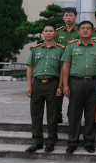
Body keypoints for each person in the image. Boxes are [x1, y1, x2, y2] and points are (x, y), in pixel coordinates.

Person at [61, 20, 96, 154]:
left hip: (94, 83)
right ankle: (72, 142)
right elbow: (66, 66)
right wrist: (65, 85)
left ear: (92, 31)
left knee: (91, 114)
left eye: (88, 28)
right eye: (83, 28)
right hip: (76, 83)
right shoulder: (71, 47)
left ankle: (89, 142)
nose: (85, 30)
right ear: (78, 31)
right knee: (74, 113)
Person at [24, 23, 65, 153]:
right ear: (42, 33)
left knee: (52, 114)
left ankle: (51, 141)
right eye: (46, 31)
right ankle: (37, 141)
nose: (48, 33)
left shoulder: (60, 49)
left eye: (51, 31)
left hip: (53, 84)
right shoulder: (35, 49)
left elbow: (63, 69)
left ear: (55, 33)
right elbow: (30, 67)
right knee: (36, 114)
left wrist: (60, 86)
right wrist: (29, 85)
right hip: (37, 83)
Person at [54, 7, 79, 123]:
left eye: (71, 15)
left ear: (75, 17)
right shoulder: (57, 32)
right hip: (58, 68)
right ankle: (57, 115)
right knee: (57, 92)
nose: (68, 17)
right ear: (63, 17)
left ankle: (71, 116)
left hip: (73, 67)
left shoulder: (79, 31)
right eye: (66, 15)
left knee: (72, 94)